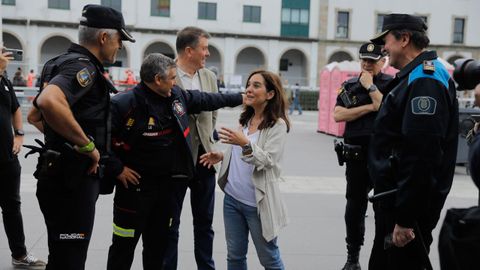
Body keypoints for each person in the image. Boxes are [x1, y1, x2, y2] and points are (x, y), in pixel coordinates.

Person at [106, 53, 243, 270]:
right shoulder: (123, 104)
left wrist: (243, 98)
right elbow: (100, 141)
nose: (175, 81)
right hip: (133, 191)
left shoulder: (176, 95)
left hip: (166, 190)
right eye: (171, 77)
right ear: (157, 79)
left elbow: (207, 99)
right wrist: (118, 169)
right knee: (123, 247)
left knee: (157, 249)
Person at [29, 5, 135, 269]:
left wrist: (64, 140)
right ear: (104, 37)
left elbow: (35, 116)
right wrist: (86, 145)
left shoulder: (58, 62)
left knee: (62, 256)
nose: (119, 46)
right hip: (71, 182)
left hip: (56, 175)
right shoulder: (83, 68)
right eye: (119, 39)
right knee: (71, 258)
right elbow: (49, 102)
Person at [368, 14, 458, 269]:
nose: (383, 48)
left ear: (404, 39)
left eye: (386, 40)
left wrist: (406, 218)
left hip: (405, 206)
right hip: (398, 199)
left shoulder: (425, 80)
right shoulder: (416, 76)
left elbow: (421, 154)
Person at [200, 70, 290, 270]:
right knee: (235, 257)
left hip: (257, 204)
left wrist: (245, 144)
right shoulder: (245, 120)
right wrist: (222, 155)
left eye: (256, 85)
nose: (249, 89)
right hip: (232, 199)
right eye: (248, 85)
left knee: (269, 259)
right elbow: (238, 151)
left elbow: (268, 160)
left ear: (270, 94)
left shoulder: (278, 125)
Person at [333, 42, 393, 270]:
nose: (367, 65)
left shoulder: (392, 84)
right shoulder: (349, 84)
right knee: (354, 208)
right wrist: (368, 108)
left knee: (383, 208)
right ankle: (353, 257)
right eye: (364, 60)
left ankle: (382, 257)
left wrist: (370, 88)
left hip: (383, 157)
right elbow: (338, 115)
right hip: (357, 157)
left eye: (372, 60)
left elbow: (384, 105)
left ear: (383, 61)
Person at [164, 26, 219, 270]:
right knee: (170, 223)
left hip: (204, 160)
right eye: (204, 48)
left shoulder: (209, 77)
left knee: (205, 223)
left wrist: (210, 142)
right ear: (189, 51)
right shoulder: (167, 75)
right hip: (175, 161)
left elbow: (213, 115)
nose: (207, 53)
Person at [0, 50, 46, 268]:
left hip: (7, 157)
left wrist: (19, 134)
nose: (5, 54)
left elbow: (15, 109)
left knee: (12, 206)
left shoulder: (5, 81)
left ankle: (19, 254)